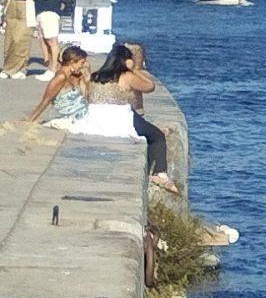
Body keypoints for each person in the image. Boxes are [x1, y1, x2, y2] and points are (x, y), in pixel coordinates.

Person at [92, 42, 177, 194]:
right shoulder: (126, 76)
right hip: (119, 116)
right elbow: (150, 86)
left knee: (144, 124)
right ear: (126, 60)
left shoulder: (97, 76)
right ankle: (159, 173)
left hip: (97, 116)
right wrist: (136, 70)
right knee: (157, 136)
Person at [22, 45, 90, 129]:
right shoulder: (60, 77)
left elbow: (86, 96)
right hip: (66, 118)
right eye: (82, 63)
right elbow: (46, 100)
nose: (83, 65)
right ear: (72, 61)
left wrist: (86, 77)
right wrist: (30, 121)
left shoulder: (77, 75)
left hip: (81, 113)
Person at [2, 0, 31, 76]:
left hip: (25, 9)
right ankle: (7, 68)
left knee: (21, 40)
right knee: (10, 40)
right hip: (12, 9)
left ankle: (19, 68)